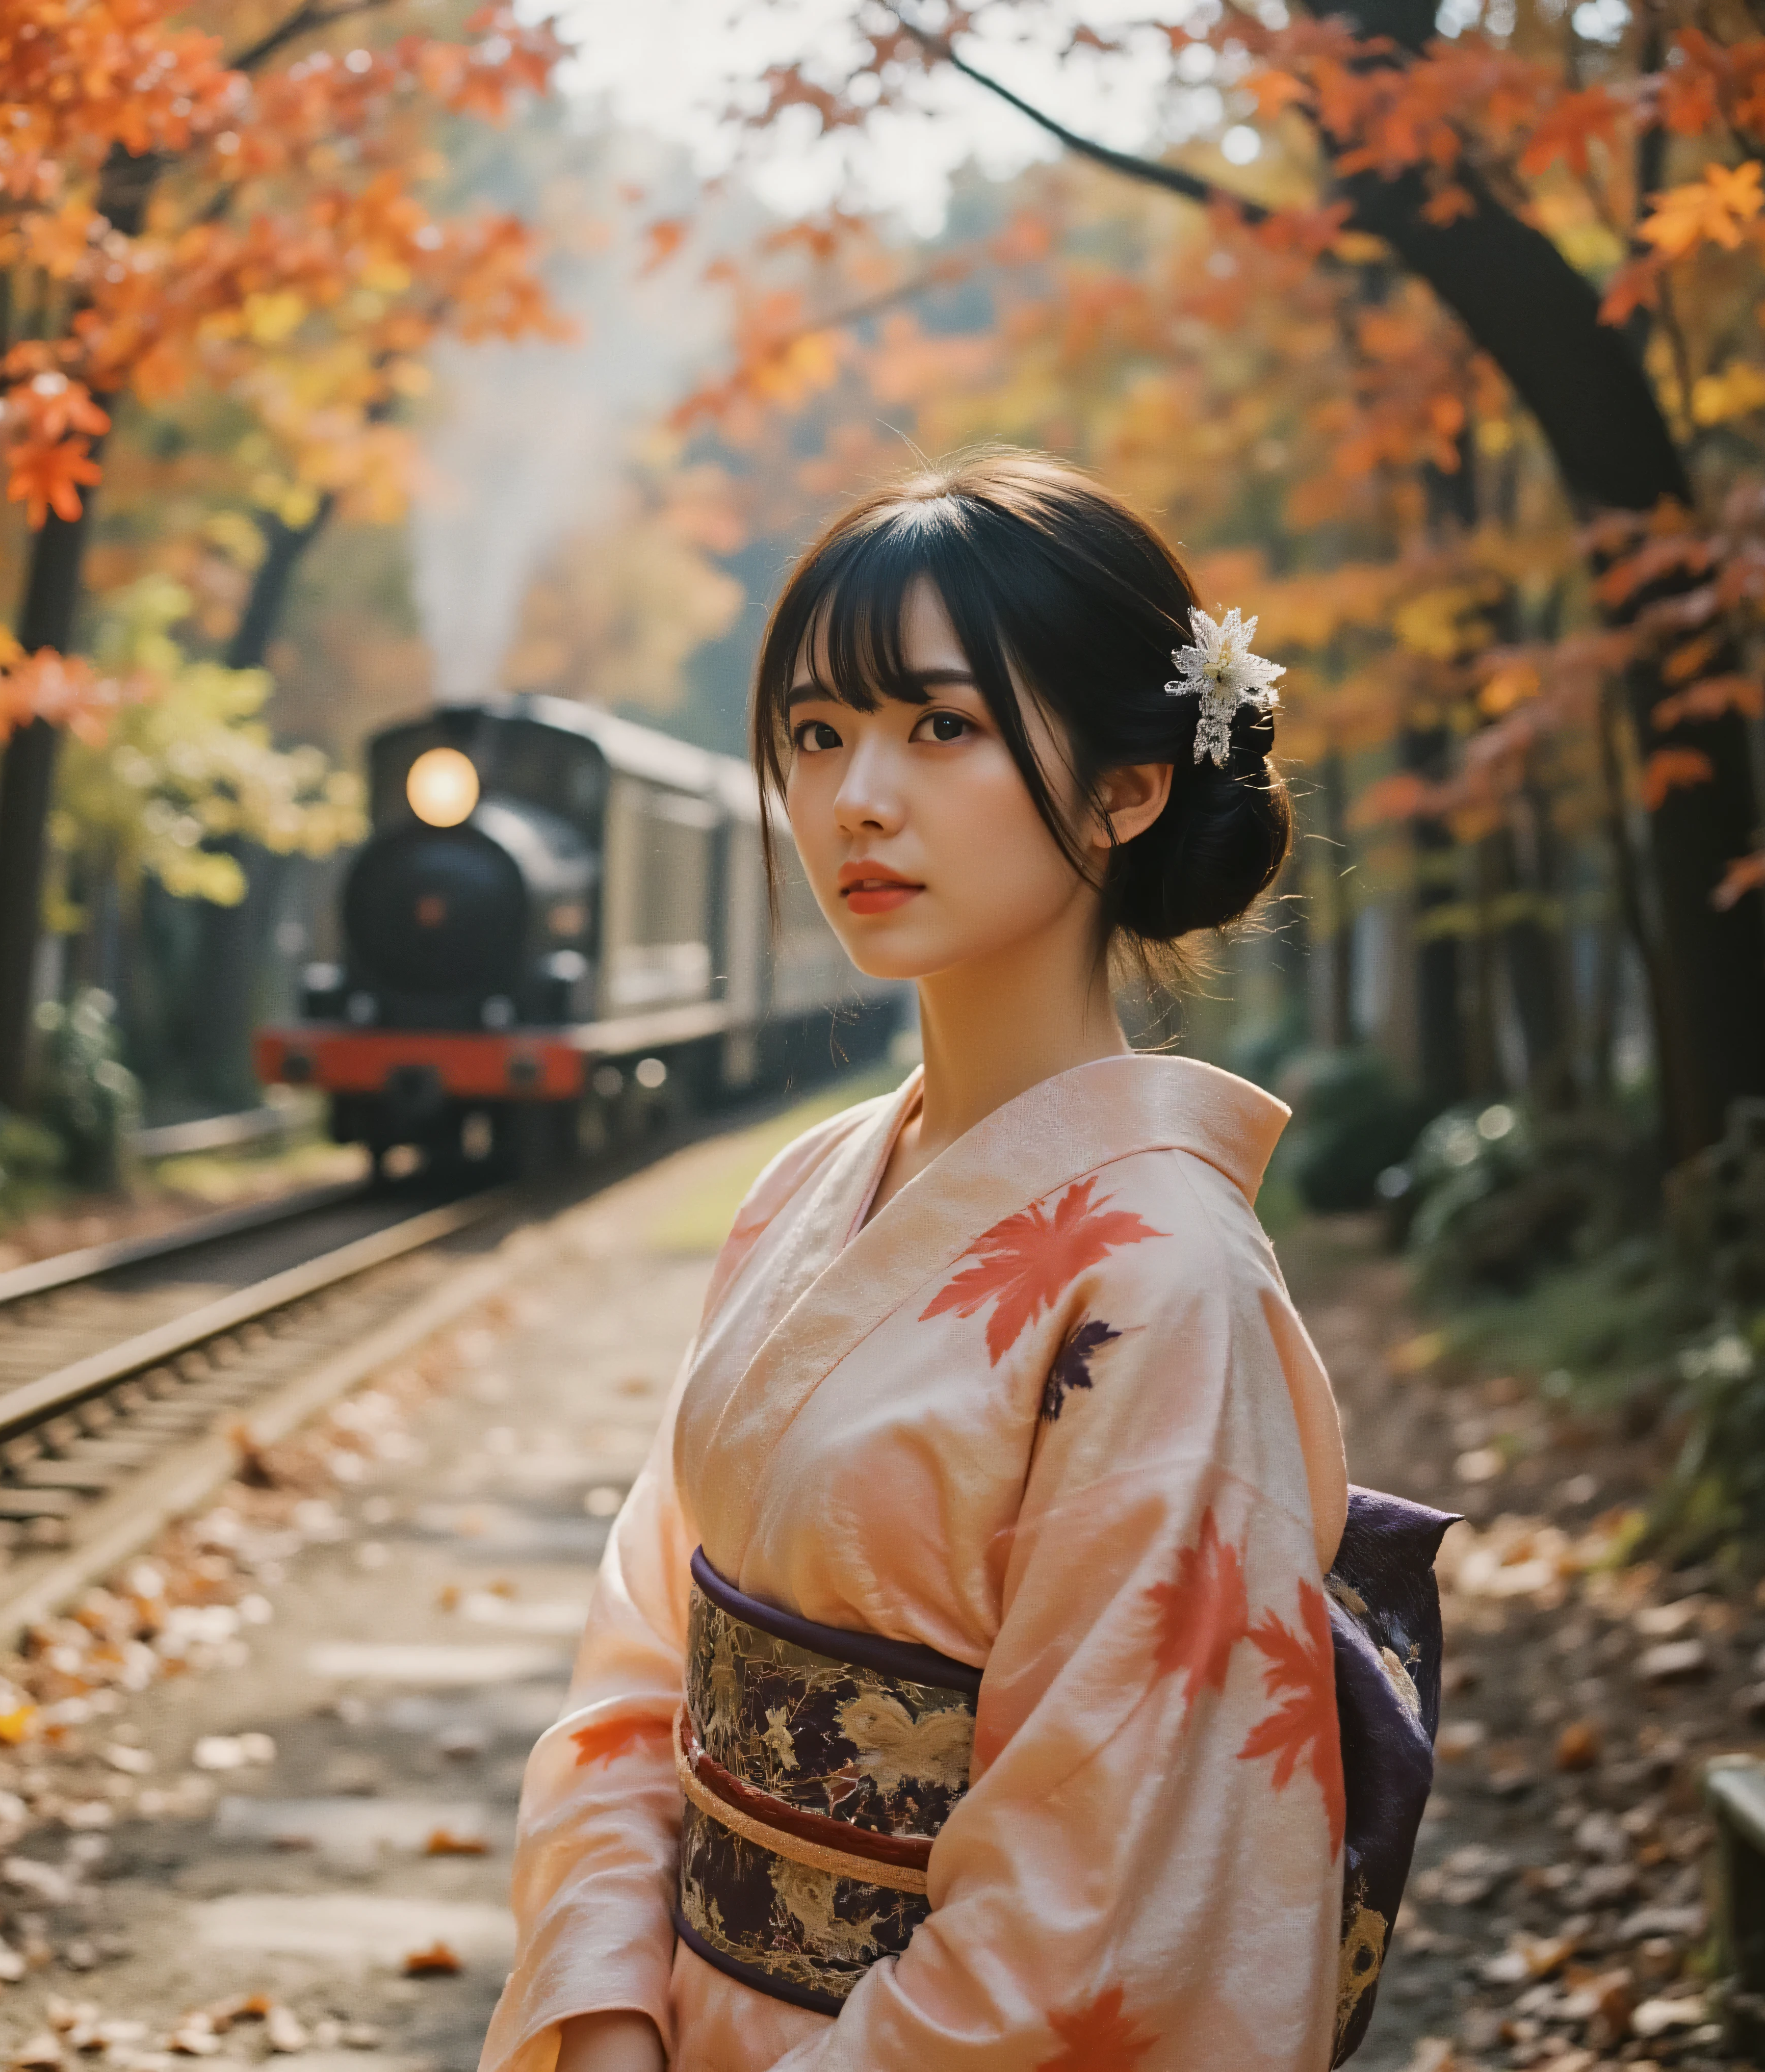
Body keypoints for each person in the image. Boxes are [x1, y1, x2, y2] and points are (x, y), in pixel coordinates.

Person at [479, 450, 1360, 2072]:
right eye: (817, 735)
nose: (854, 797)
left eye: (938, 726)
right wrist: (604, 2010)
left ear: (1128, 786)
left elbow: (1094, 1899)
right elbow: (641, 1659)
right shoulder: (813, 1184)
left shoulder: (1166, 1281)